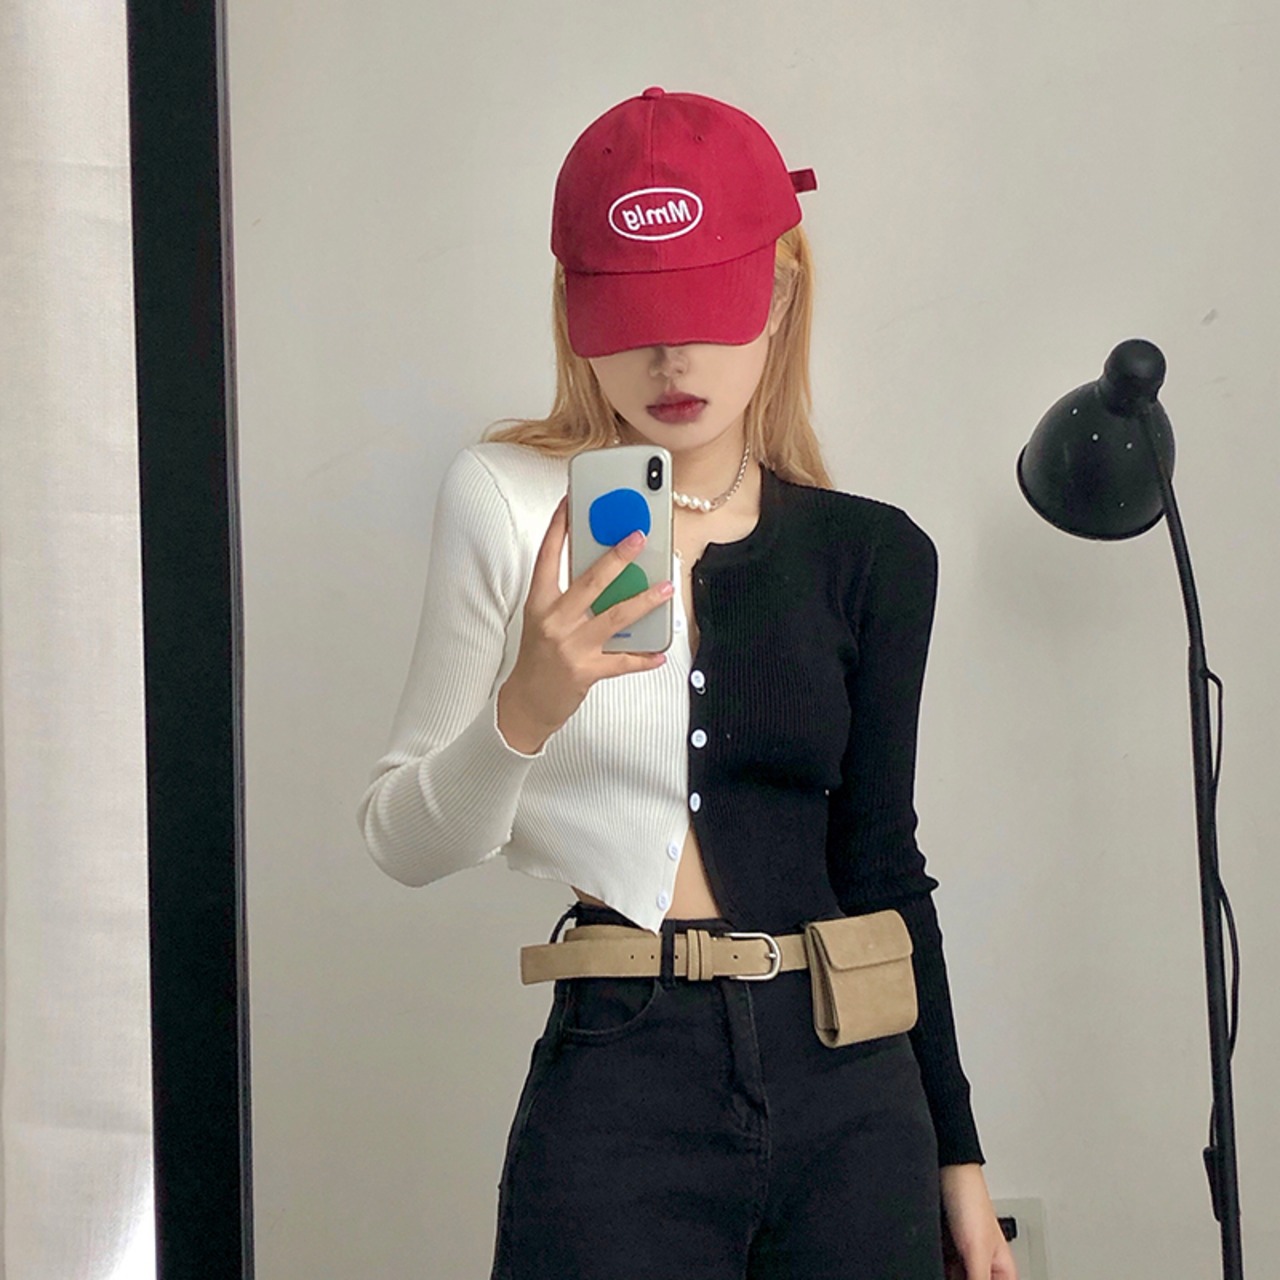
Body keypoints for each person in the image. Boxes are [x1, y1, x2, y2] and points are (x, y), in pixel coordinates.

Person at [357, 86, 1016, 1280]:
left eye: (705, 310)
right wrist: (526, 706)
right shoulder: (505, 499)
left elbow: (881, 864)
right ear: (574, 314)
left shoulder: (872, 554)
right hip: (621, 1074)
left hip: (852, 1088)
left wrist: (957, 1157)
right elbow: (401, 840)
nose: (670, 359)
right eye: (635, 317)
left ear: (778, 297)